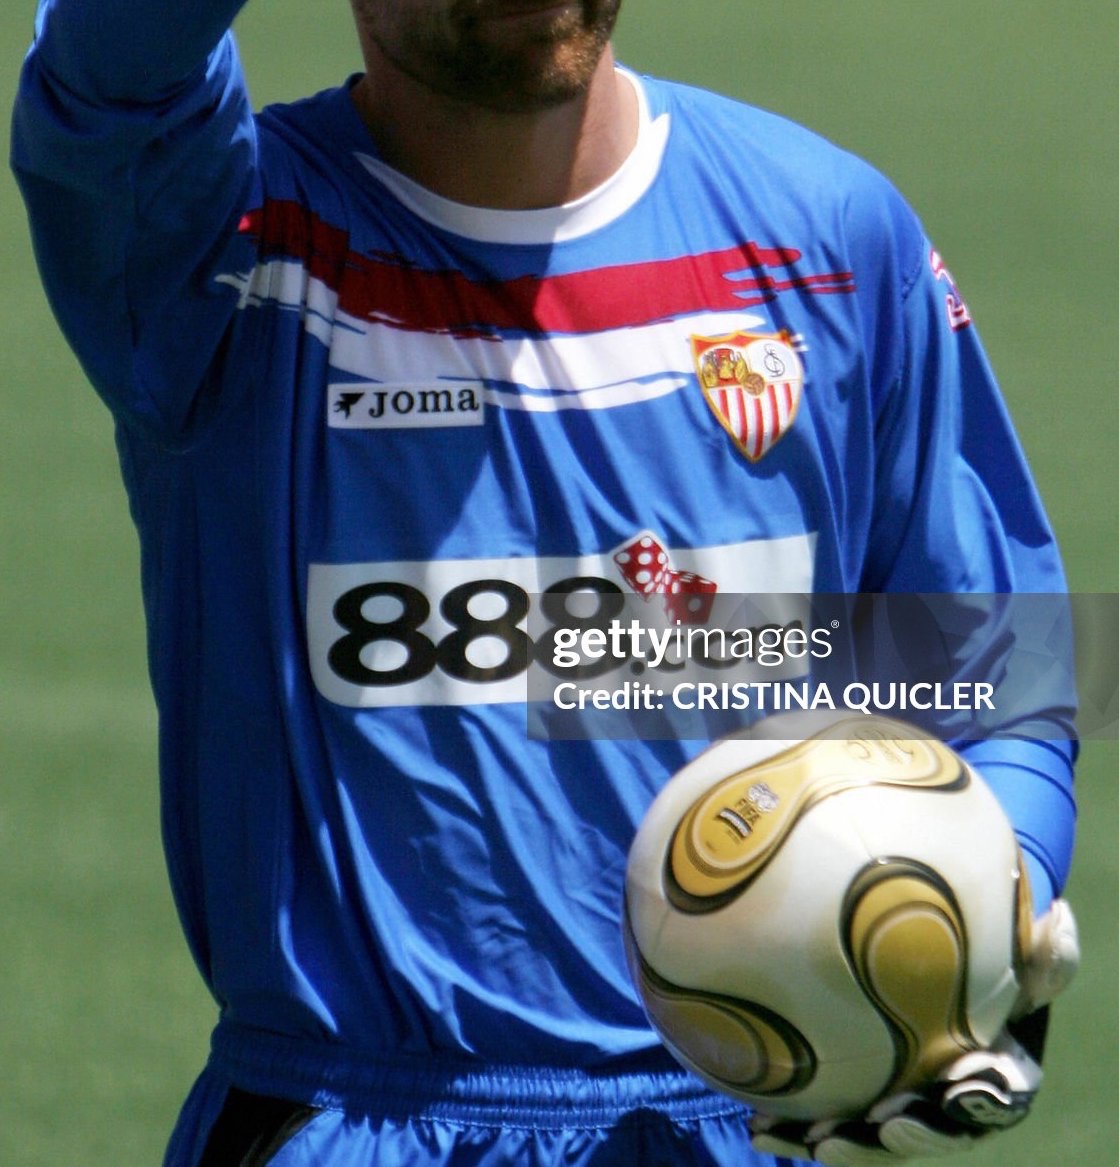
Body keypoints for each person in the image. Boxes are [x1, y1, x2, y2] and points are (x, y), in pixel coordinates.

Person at [11, 2, 1079, 1164]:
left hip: (746, 1131)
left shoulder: (830, 237)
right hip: (354, 1126)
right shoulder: (216, 244)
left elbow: (997, 669)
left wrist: (979, 902)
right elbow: (110, 69)